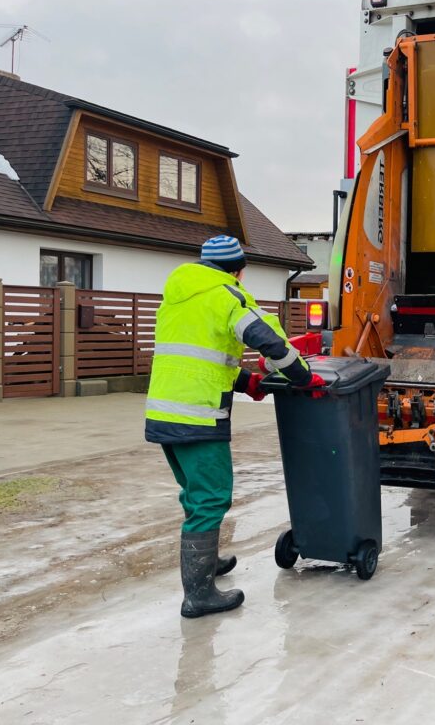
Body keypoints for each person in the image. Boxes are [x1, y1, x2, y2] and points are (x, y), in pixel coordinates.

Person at [146, 235, 313, 618]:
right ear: (239, 268)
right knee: (211, 498)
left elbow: (199, 357)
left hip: (165, 413)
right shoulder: (227, 297)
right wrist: (302, 376)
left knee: (194, 494)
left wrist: (244, 381)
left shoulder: (177, 297)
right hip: (198, 416)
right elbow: (266, 339)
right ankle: (199, 594)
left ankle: (206, 561)